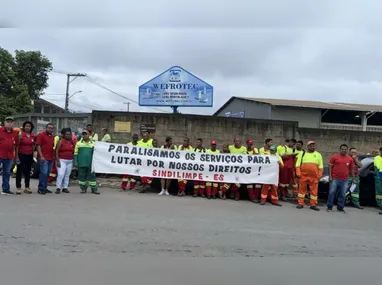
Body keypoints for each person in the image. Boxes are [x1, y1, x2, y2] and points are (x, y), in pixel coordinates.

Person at [327, 144, 355, 213]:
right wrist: (330, 176)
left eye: (345, 149)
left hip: (345, 179)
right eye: (342, 149)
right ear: (340, 149)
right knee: (331, 193)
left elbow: (351, 170)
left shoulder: (350, 159)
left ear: (347, 150)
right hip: (335, 179)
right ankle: (329, 207)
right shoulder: (334, 157)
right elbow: (330, 167)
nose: (344, 150)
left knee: (342, 194)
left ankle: (340, 208)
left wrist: (354, 179)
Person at [295, 141, 322, 211]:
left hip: (314, 177)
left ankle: (313, 205)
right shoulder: (302, 154)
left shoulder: (318, 155)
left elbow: (320, 167)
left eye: (313, 145)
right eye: (310, 146)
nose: (312, 147)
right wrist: (299, 174)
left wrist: (318, 176)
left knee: (314, 192)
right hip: (303, 176)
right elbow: (297, 165)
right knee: (301, 191)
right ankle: (300, 203)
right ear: (307, 146)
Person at [74, 130, 99, 194]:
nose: (84, 136)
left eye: (86, 134)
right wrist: (75, 162)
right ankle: (83, 189)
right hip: (81, 162)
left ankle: (94, 189)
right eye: (83, 134)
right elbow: (75, 153)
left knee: (92, 176)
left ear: (89, 135)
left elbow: (97, 153)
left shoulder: (93, 143)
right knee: (82, 176)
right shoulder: (78, 143)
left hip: (91, 163)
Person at [0, 116, 19, 195]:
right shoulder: (0, 130)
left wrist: (16, 157)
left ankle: (5, 189)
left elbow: (16, 145)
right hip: (0, 155)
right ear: (4, 122)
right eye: (8, 121)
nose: (9, 123)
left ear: (13, 123)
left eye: (11, 122)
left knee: (7, 173)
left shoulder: (15, 133)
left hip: (9, 156)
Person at [15, 121, 35, 194]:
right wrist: (16, 157)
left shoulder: (33, 135)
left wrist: (32, 154)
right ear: (24, 127)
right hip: (21, 155)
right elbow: (17, 146)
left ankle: (27, 187)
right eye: (26, 126)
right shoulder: (20, 135)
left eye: (29, 126)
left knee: (28, 171)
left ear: (31, 127)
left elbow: (33, 146)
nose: (28, 127)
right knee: (19, 171)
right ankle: (18, 187)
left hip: (29, 155)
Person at [36, 123, 55, 195]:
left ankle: (45, 187)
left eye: (51, 128)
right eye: (49, 128)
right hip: (43, 158)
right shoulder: (41, 135)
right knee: (43, 173)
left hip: (50, 158)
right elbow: (38, 146)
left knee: (47, 173)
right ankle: (40, 188)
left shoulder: (52, 136)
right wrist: (41, 156)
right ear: (46, 128)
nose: (50, 129)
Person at [55, 128, 75, 194]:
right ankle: (58, 187)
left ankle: (65, 187)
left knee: (67, 175)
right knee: (61, 174)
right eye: (67, 134)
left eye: (69, 134)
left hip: (70, 160)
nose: (68, 135)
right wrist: (57, 161)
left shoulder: (72, 142)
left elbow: (75, 151)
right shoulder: (61, 141)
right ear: (64, 135)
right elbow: (57, 151)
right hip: (62, 160)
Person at [246, 139, 261, 203]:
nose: (251, 145)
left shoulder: (256, 150)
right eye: (249, 144)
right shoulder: (245, 150)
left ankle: (256, 196)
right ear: (247, 144)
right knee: (250, 183)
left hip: (255, 170)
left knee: (258, 183)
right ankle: (252, 197)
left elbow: (257, 158)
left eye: (251, 143)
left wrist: (253, 150)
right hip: (247, 170)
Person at [372, 147, 382, 214]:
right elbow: (377, 168)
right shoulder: (376, 158)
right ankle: (380, 206)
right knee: (379, 193)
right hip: (379, 175)